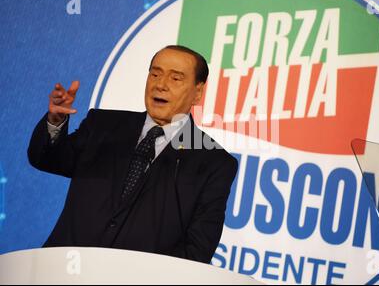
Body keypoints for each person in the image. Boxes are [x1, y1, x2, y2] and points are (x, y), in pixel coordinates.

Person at [27, 45, 238, 264]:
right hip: (62, 272)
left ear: (198, 92)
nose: (161, 84)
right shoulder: (102, 126)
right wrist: (55, 122)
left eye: (175, 79)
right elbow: (46, 158)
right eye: (155, 74)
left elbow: (196, 251)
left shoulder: (213, 163)